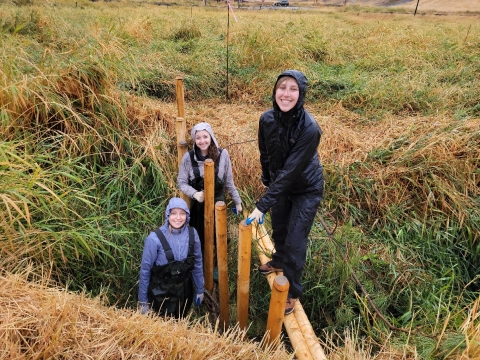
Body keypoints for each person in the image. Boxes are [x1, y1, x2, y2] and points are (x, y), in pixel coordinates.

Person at [247, 70, 324, 315]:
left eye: (293, 89)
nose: (286, 94)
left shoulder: (310, 129)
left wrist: (262, 204)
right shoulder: (266, 119)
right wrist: (267, 179)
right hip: (281, 182)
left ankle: (291, 290)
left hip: (305, 189)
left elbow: (291, 172)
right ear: (275, 91)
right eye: (282, 87)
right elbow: (265, 153)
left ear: (301, 95)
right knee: (279, 225)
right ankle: (278, 260)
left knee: (295, 238)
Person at [177, 122, 242, 251]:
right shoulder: (188, 158)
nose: (202, 141)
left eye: (205, 137)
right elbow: (181, 182)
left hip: (218, 206)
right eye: (198, 138)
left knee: (220, 239)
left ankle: (217, 267)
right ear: (194, 140)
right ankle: (200, 267)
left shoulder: (223, 155)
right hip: (198, 208)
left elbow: (229, 182)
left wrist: (237, 202)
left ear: (211, 136)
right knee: (198, 241)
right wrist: (195, 194)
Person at [138, 197, 204, 318]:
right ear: (168, 214)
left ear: (187, 215)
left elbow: (198, 263)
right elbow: (145, 270)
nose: (178, 218)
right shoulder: (154, 239)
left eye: (182, 213)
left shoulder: (192, 233)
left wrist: (200, 289)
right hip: (160, 294)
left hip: (184, 292)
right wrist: (143, 301)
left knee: (180, 324)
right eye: (174, 213)